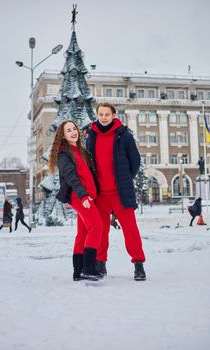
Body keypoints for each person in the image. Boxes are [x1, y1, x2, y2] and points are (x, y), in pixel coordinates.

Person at [86, 102, 146, 281]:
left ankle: (139, 265)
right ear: (97, 115)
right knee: (101, 231)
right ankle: (100, 264)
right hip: (100, 195)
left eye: (107, 114)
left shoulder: (124, 135)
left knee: (130, 229)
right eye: (101, 114)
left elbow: (135, 161)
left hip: (120, 193)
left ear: (113, 115)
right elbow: (89, 162)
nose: (103, 117)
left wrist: (124, 179)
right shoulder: (91, 136)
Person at [48, 120, 104, 281]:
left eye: (74, 128)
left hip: (88, 197)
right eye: (68, 130)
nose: (73, 132)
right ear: (63, 136)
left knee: (83, 232)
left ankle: (78, 271)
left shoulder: (80, 151)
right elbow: (71, 176)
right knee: (97, 226)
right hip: (79, 197)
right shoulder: (64, 153)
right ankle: (88, 267)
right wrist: (83, 195)